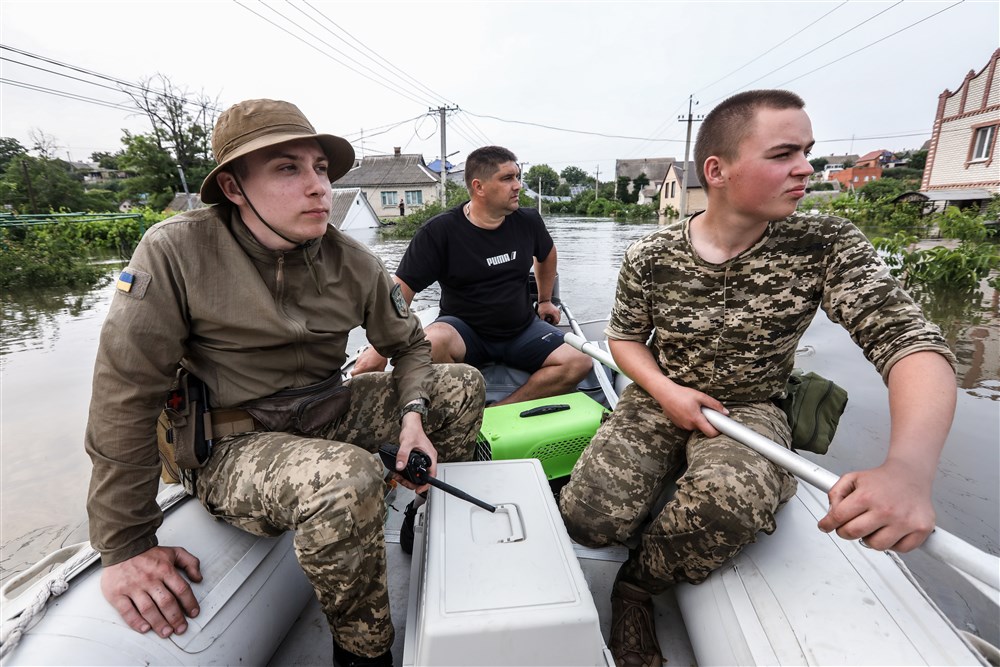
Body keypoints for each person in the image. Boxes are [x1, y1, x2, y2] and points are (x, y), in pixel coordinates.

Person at [558, 90, 957, 667]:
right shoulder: (652, 253)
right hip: (658, 395)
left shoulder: (825, 245)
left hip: (751, 407)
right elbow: (623, 340)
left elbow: (911, 344)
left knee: (725, 507)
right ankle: (649, 490)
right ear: (717, 171)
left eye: (808, 151)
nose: (805, 168)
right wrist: (667, 393)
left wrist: (908, 470)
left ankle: (638, 586)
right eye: (783, 153)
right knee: (588, 522)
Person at [84, 99, 485, 667]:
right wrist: (125, 544)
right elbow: (123, 395)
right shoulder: (177, 251)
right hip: (231, 441)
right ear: (233, 186)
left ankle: (425, 522)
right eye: (287, 169)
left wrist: (413, 417)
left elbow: (411, 345)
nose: (319, 186)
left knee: (461, 384)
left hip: (328, 406)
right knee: (347, 478)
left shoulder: (352, 261)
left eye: (320, 167)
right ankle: (363, 653)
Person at [353, 145, 592, 408]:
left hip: (521, 329)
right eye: (507, 178)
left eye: (517, 177)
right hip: (465, 332)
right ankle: (461, 403)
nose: (518, 186)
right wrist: (379, 348)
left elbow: (547, 255)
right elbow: (402, 290)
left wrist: (545, 301)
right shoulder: (440, 232)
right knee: (430, 343)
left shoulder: (528, 221)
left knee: (579, 361)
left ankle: (498, 411)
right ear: (479, 187)